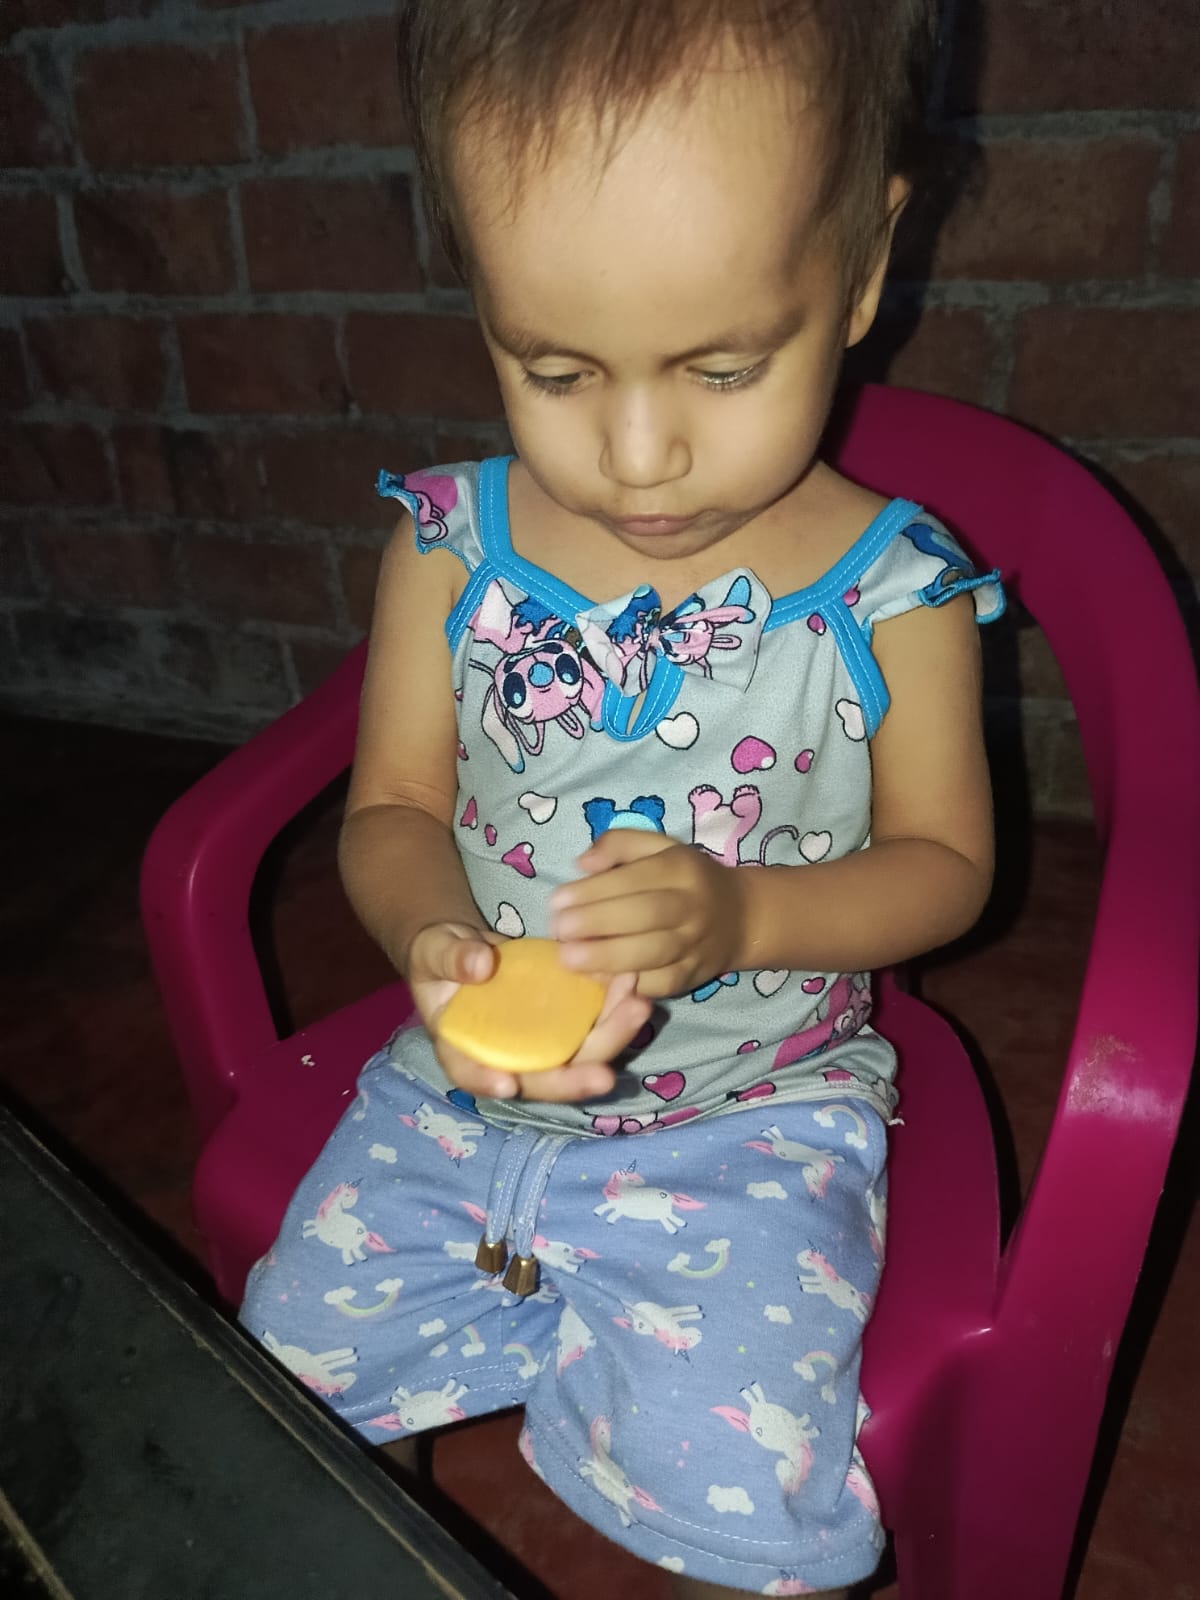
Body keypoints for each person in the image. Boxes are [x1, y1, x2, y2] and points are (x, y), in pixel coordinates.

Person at [240, 3, 1005, 1594]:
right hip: (457, 1096)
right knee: (279, 1391)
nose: (641, 453)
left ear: (865, 264)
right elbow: (391, 811)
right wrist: (433, 941)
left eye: (724, 367)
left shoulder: (898, 595)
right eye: (556, 368)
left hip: (755, 1122)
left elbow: (946, 868)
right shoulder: (448, 550)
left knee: (740, 1495)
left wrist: (745, 916)